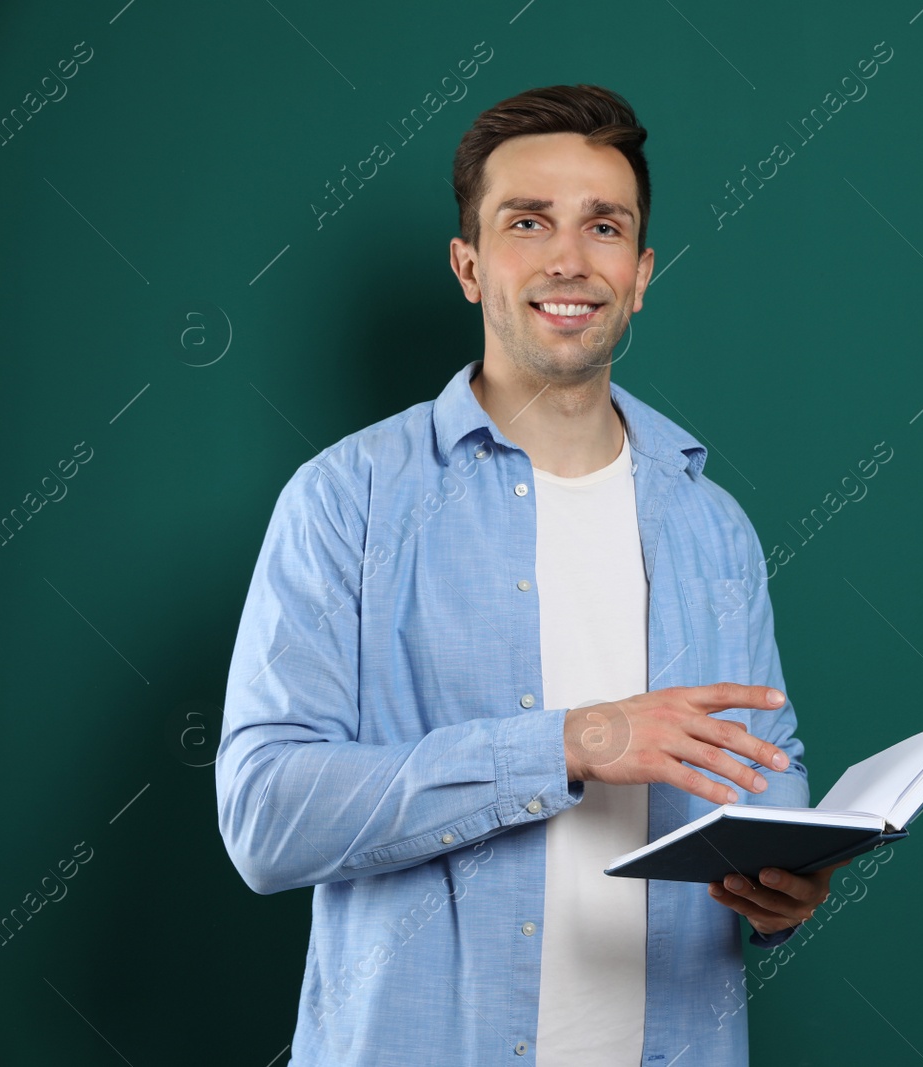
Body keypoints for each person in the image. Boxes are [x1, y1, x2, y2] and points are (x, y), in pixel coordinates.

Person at [216, 83, 846, 1066]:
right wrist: (574, 742)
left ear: (639, 273)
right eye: (527, 222)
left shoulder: (714, 527)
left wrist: (785, 886)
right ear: (469, 265)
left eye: (603, 226)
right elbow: (265, 815)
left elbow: (767, 775)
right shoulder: (346, 499)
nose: (568, 258)